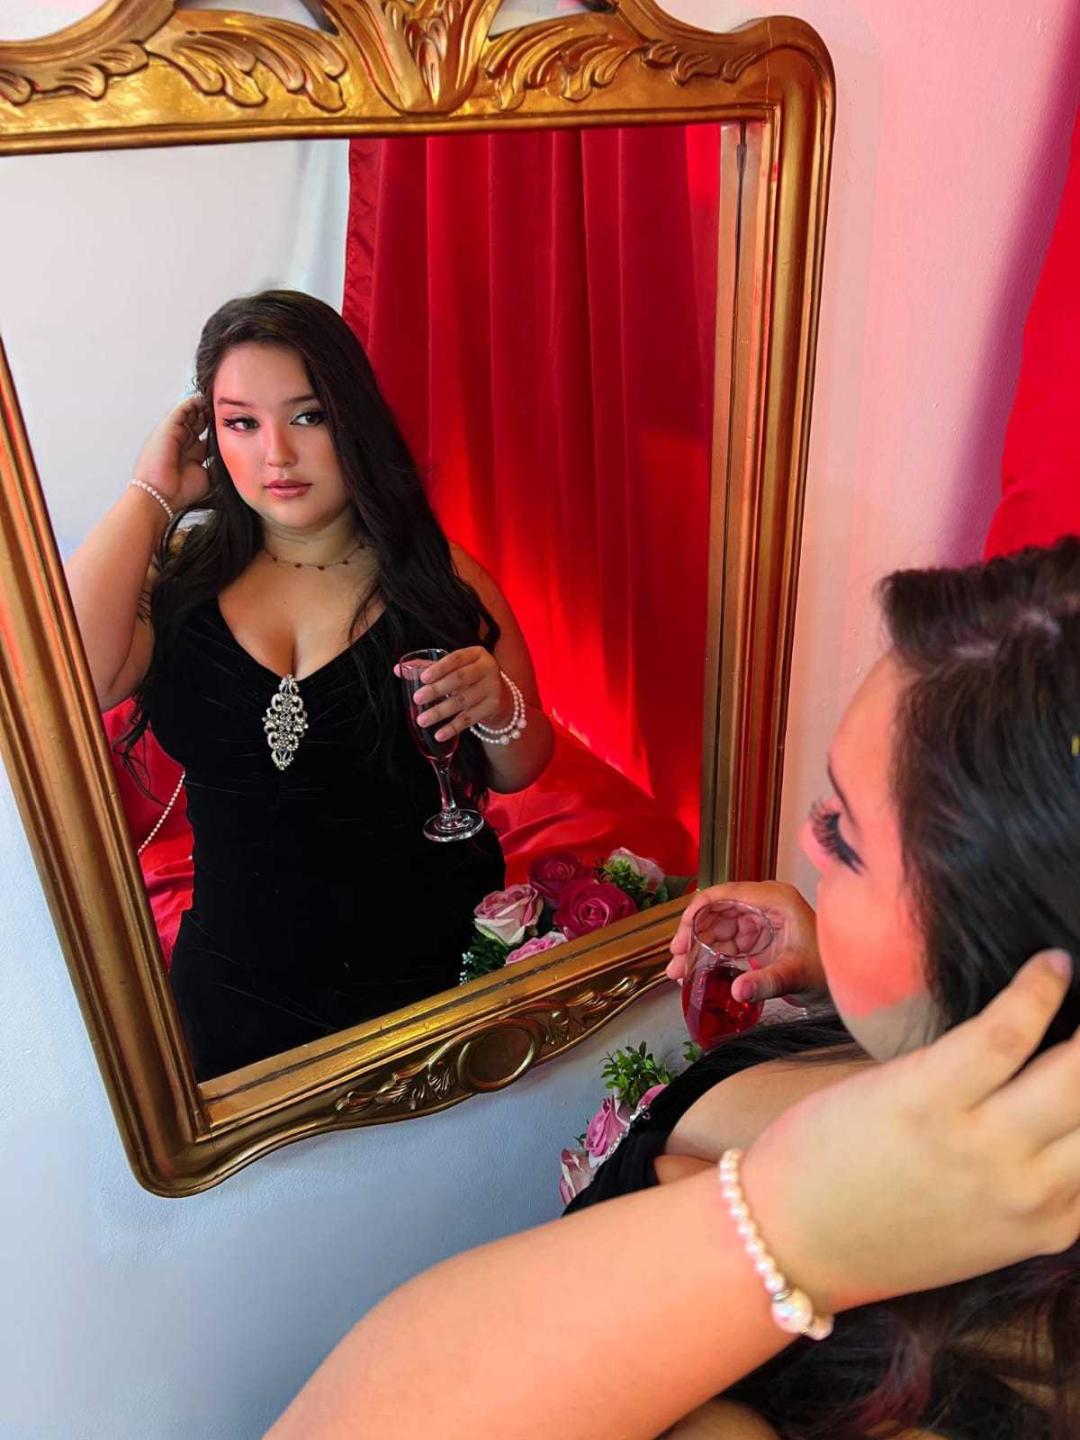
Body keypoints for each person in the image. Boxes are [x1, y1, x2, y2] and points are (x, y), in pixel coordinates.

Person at [266, 540, 1079, 1439]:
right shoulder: (931, 1058)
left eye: (846, 838)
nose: (806, 839)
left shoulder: (936, 1397)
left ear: (1011, 961)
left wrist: (779, 1235)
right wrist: (847, 992)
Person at [66, 290, 553, 1080]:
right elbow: (71, 679)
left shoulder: (437, 577)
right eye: (241, 423)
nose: (277, 456)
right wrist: (149, 494)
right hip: (231, 982)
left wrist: (497, 705)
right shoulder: (180, 583)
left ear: (352, 421)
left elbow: (522, 767)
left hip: (421, 976)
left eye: (308, 416)